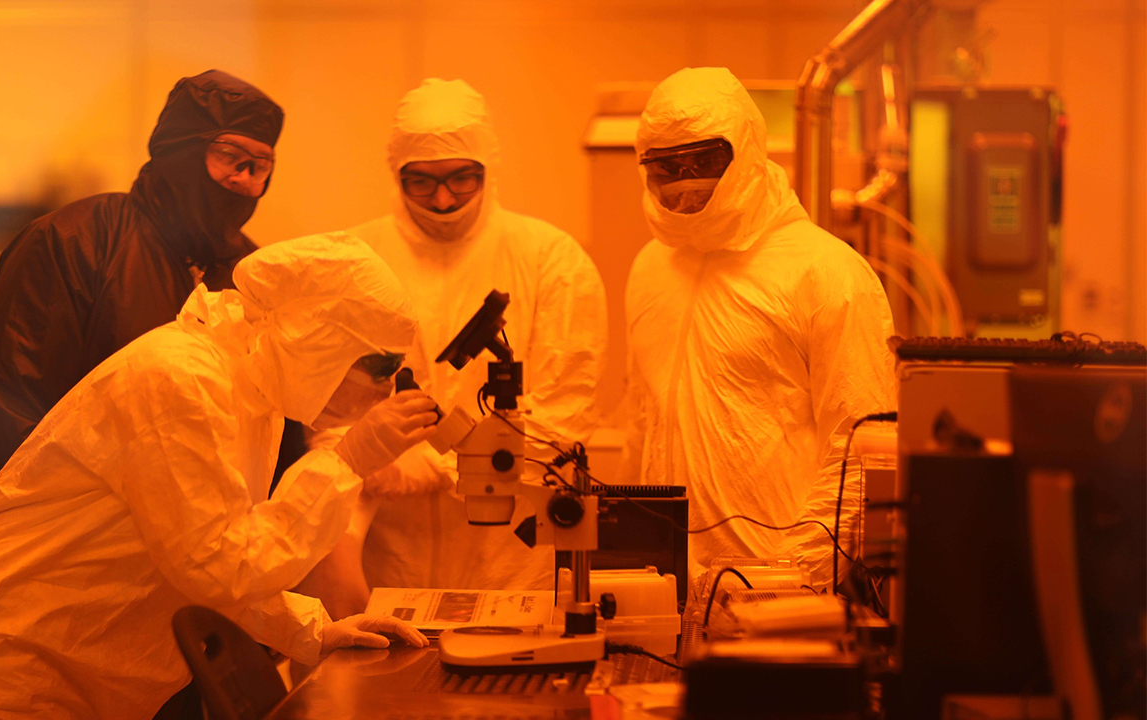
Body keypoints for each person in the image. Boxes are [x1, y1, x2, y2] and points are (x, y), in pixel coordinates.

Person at [0, 234, 439, 719]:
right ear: (320, 336)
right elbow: (218, 568)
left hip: (57, 665)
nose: (386, 390)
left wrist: (313, 631)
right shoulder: (182, 380)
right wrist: (346, 461)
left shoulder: (250, 395)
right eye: (380, 367)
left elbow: (207, 551)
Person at [297, 78, 607, 616]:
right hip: (385, 558)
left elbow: (566, 411)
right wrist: (372, 451)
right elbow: (318, 397)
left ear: (487, 167)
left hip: (512, 560)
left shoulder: (551, 260)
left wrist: (447, 465)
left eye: (460, 178)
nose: (442, 199)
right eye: (422, 182)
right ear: (396, 175)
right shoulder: (353, 260)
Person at [620, 68, 897, 590]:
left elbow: (864, 451)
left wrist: (788, 581)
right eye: (667, 168)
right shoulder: (651, 269)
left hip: (780, 593)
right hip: (663, 584)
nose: (684, 184)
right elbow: (641, 422)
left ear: (744, 151)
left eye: (702, 163)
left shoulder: (824, 272)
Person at [0, 69, 293, 485]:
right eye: (229, 156)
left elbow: (272, 421)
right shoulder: (73, 243)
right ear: (180, 150)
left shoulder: (255, 274)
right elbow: (13, 407)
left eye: (259, 166)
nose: (243, 178)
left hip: (211, 532)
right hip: (79, 526)